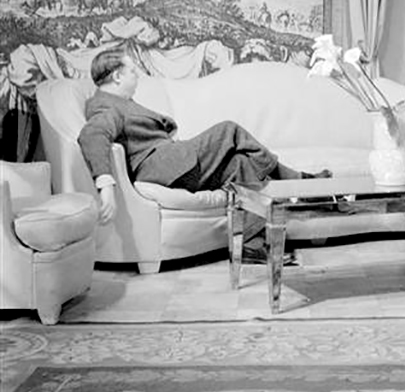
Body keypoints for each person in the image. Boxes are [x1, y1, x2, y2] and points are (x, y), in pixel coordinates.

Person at [78, 48, 330, 259]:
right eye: (133, 71)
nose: (138, 77)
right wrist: (105, 183)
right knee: (228, 130)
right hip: (163, 166)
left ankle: (252, 244)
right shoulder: (105, 105)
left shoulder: (121, 103)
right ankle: (299, 183)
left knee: (240, 164)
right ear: (117, 76)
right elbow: (92, 135)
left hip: (172, 163)